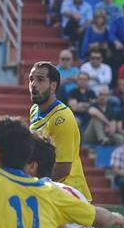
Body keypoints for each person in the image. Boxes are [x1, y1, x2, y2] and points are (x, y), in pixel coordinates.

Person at [27, 62, 91, 200]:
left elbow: (63, 168)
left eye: (40, 80)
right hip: (50, 189)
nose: (33, 84)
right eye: (31, 79)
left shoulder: (62, 118)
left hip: (70, 193)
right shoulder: (34, 110)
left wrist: (34, 186)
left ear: (53, 85)